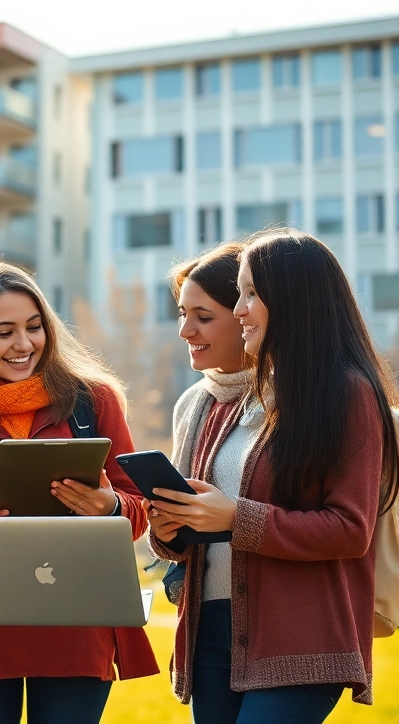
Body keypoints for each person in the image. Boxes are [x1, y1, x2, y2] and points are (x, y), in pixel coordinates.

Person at [148, 229, 399, 722]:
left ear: (292, 299)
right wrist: (171, 531)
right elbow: (202, 528)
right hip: (211, 635)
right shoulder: (231, 399)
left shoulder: (347, 394)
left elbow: (351, 529)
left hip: (299, 636)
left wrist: (234, 517)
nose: (240, 308)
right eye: (239, 293)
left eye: (250, 294)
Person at [0, 261, 158, 724]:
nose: (24, 344)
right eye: (4, 331)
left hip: (77, 618)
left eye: (34, 327)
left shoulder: (94, 401)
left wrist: (109, 507)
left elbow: (137, 509)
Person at [146, 243, 253, 606]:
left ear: (247, 316)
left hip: (272, 619)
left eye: (203, 317)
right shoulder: (191, 404)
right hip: (199, 617)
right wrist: (166, 530)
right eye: (182, 314)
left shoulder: (291, 401)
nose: (185, 331)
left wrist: (235, 517)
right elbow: (184, 542)